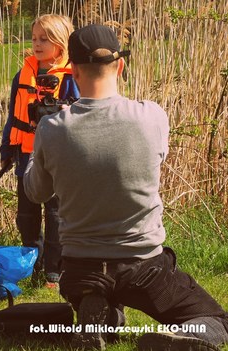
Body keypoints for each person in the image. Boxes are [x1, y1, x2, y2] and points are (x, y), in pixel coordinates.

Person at [23, 24, 228, 350]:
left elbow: (36, 193)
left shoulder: (52, 128)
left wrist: (40, 142)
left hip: (78, 268)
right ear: (119, 66)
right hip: (141, 266)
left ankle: (97, 310)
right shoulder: (151, 117)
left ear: (72, 70)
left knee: (96, 292)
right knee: (217, 320)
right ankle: (178, 339)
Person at [0, 14, 79, 288]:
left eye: (44, 38)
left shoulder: (72, 76)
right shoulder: (21, 75)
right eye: (34, 38)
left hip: (59, 158)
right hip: (26, 155)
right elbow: (13, 115)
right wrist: (7, 148)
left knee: (56, 214)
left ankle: (54, 271)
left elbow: (84, 113)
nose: (37, 43)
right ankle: (32, 263)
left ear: (61, 41)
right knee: (26, 215)